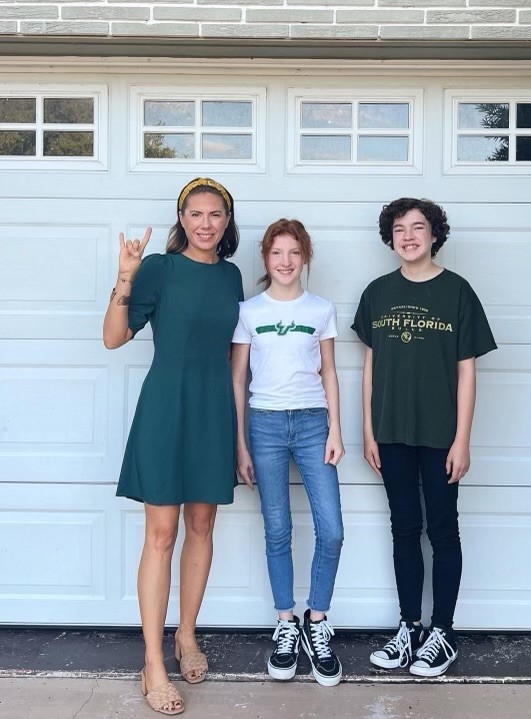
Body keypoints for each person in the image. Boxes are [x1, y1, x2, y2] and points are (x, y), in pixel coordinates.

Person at [103, 178, 246, 715]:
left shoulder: (232, 277)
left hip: (212, 410)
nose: (205, 223)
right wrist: (124, 278)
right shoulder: (159, 269)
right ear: (180, 219)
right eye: (195, 213)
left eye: (215, 214)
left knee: (203, 525)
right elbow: (114, 337)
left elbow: (237, 358)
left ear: (227, 222)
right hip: (166, 406)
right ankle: (153, 662)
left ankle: (187, 634)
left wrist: (237, 429)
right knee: (161, 533)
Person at [352, 198, 496, 678]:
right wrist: (369, 429)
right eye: (399, 228)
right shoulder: (377, 293)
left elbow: (467, 371)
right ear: (389, 237)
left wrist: (463, 440)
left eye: (419, 227)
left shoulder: (458, 292)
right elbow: (370, 365)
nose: (409, 236)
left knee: (443, 529)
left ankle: (444, 632)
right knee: (404, 528)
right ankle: (409, 627)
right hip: (391, 432)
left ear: (435, 235)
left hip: (440, 435)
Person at [231, 218, 344, 687]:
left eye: (294, 253)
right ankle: (285, 623)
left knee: (332, 530)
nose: (285, 261)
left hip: (313, 423)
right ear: (265, 258)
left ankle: (316, 623)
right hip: (266, 425)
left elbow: (330, 373)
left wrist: (336, 429)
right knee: (278, 529)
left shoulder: (321, 308)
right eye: (277, 253)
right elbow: (238, 378)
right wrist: (241, 442)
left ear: (305, 258)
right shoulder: (248, 311)